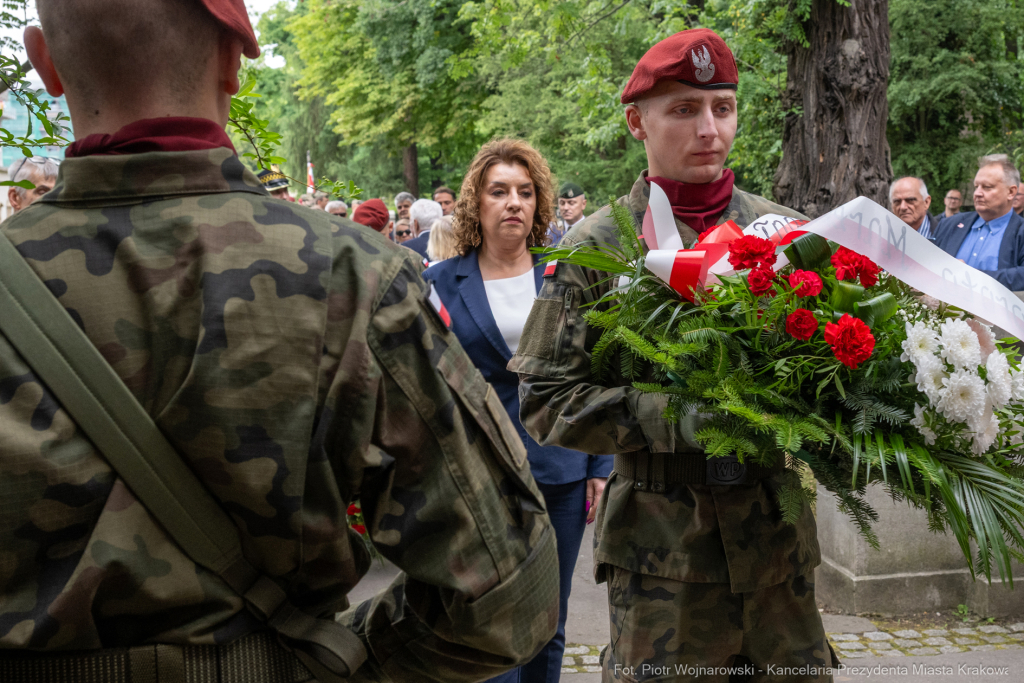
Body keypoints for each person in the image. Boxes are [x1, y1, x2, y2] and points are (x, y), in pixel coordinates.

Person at [0, 2, 560, 682]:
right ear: (234, 60)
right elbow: (507, 592)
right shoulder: (351, 277)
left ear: (44, 62)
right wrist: (340, 656)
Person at [510, 29, 836, 682]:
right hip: (664, 565)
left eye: (722, 107)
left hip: (777, 557)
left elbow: (831, 371)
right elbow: (544, 400)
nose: (709, 127)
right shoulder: (597, 246)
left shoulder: (783, 232)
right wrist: (679, 414)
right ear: (638, 121)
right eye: (684, 109)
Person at [423, 139, 612, 683]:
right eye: (499, 191)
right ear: (475, 203)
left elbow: (597, 369)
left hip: (561, 466)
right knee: (494, 620)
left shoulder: (567, 274)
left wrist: (600, 466)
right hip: (481, 474)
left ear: (539, 204)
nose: (513, 202)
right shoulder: (439, 281)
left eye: (525, 192)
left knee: (549, 620)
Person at [935, 154, 1023, 288]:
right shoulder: (949, 224)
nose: (977, 193)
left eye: (987, 187)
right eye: (976, 186)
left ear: (1011, 192)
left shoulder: (1020, 231)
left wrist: (971, 276)